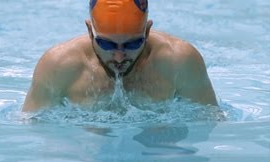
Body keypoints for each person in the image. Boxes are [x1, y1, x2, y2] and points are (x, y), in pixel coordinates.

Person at [22, 0, 218, 112]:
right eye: (107, 44)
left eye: (132, 44)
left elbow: (209, 121)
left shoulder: (179, 62)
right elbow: (32, 131)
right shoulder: (59, 66)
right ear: (90, 32)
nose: (118, 57)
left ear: (147, 32)